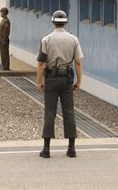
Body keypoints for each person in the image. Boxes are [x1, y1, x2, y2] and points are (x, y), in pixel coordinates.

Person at [37, 10, 83, 158]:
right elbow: (78, 62)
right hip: (67, 79)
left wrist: (39, 81)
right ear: (65, 22)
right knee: (69, 111)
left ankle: (46, 149)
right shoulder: (73, 39)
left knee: (50, 112)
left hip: (51, 78)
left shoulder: (46, 39)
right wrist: (79, 81)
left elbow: (40, 63)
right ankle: (71, 148)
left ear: (53, 21)